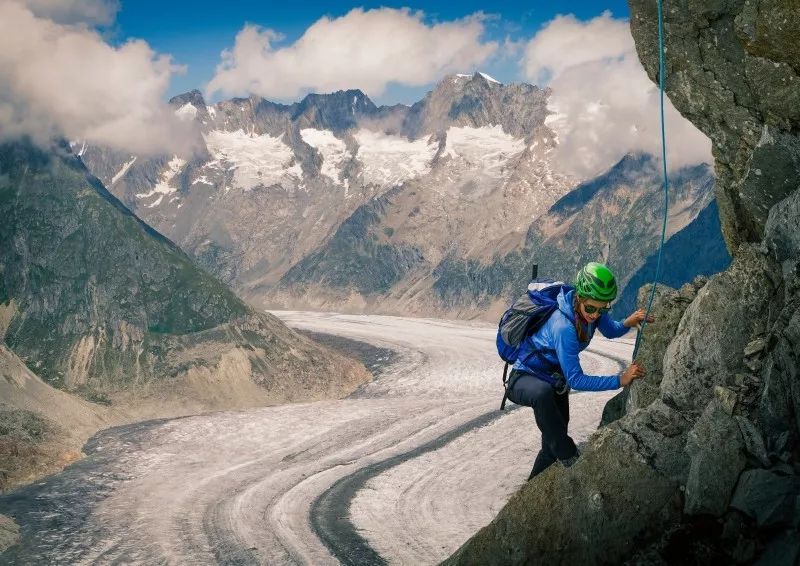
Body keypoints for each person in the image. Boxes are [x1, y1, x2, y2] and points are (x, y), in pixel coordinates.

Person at [506, 262, 654, 480]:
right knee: (556, 435)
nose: (595, 314)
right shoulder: (563, 326)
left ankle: (531, 495)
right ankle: (570, 455)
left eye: (602, 308)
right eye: (591, 308)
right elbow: (576, 379)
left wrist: (627, 323)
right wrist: (619, 380)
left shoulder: (590, 308)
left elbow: (609, 330)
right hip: (525, 379)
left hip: (554, 382)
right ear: (580, 298)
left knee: (550, 447)